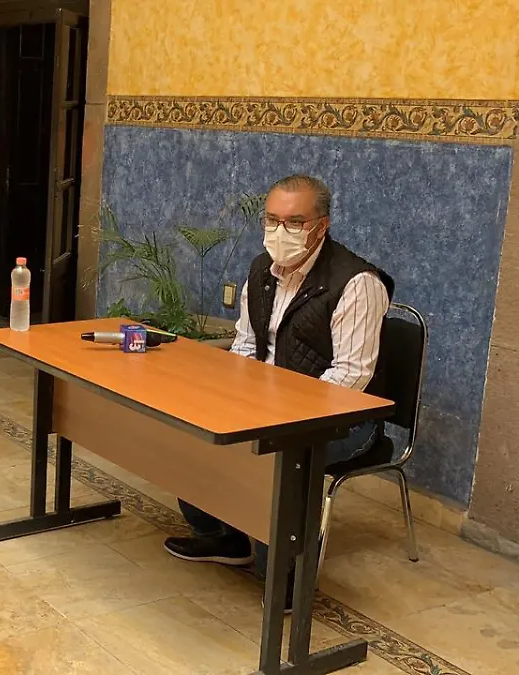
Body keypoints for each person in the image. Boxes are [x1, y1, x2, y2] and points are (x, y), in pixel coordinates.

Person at [163, 175, 394, 597]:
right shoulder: (261, 270)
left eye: (295, 222)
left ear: (321, 227)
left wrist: (278, 415)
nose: (280, 231)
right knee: (193, 426)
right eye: (272, 220)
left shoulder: (357, 283)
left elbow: (350, 378)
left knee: (279, 454)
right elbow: (245, 343)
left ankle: (287, 575)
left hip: (341, 420)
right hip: (265, 404)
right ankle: (221, 537)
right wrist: (230, 396)